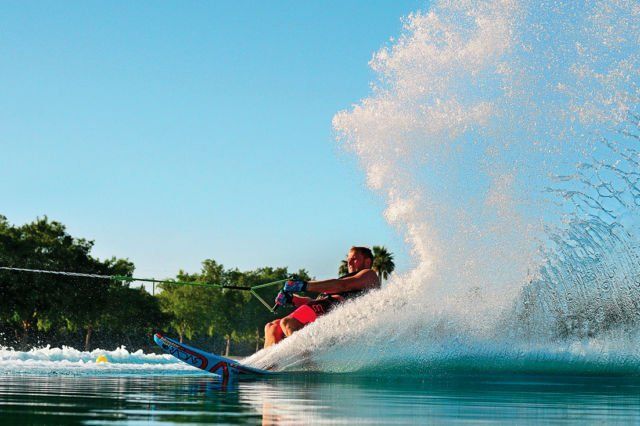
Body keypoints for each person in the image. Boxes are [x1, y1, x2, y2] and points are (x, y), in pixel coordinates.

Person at [263, 246, 380, 348]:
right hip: (326, 307)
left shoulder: (369, 274)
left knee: (288, 323)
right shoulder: (341, 281)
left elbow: (343, 286)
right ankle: (269, 367)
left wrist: (303, 285)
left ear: (367, 262)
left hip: (337, 310)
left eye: (354, 259)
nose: (349, 263)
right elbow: (316, 302)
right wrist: (291, 299)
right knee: (272, 326)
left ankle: (308, 367)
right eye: (348, 260)